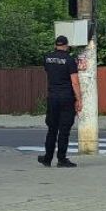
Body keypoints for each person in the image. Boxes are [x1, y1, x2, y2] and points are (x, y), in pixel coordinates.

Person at [39, 35, 82, 168]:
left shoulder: (47, 58)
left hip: (52, 98)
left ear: (55, 45)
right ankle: (62, 159)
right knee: (64, 130)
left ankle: (47, 158)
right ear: (66, 45)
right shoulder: (70, 60)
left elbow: (49, 72)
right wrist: (79, 100)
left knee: (52, 129)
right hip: (67, 98)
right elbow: (74, 82)